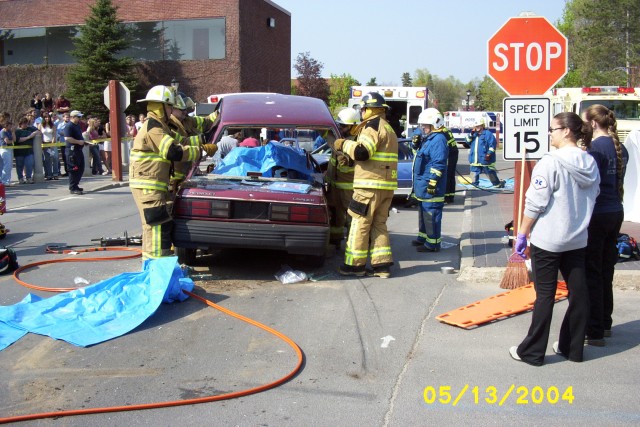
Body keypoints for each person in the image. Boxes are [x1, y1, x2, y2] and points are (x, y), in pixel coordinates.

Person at [510, 112, 600, 366]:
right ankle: (572, 348)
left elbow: (535, 202)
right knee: (579, 293)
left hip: (549, 239)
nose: (549, 134)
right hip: (577, 238)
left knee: (545, 295)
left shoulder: (550, 162)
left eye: (552, 129)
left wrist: (522, 233)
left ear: (567, 132)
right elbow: (593, 196)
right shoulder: (589, 163)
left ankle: (532, 352)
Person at [129, 85, 215, 260]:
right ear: (160, 106)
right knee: (157, 227)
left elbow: (181, 141)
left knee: (159, 225)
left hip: (153, 184)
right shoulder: (153, 127)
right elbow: (173, 151)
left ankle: (158, 265)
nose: (171, 110)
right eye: (169, 106)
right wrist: (202, 151)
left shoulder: (160, 125)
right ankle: (156, 269)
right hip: (148, 185)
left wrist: (203, 140)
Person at [335, 92, 398, 279]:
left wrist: (344, 144)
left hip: (369, 187)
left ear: (370, 109)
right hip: (386, 186)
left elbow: (363, 152)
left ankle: (354, 266)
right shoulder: (389, 128)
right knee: (379, 224)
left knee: (359, 224)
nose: (361, 111)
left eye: (363, 108)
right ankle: (382, 267)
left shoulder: (372, 126)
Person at [583, 104, 629, 346]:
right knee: (606, 269)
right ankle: (606, 322)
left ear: (592, 123)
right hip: (615, 210)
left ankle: (595, 329)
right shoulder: (618, 147)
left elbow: (587, 182)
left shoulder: (595, 149)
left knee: (592, 271)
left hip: (597, 214)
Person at [410, 108, 449, 252]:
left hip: (430, 186)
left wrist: (433, 182)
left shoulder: (438, 140)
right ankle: (423, 237)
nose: (423, 128)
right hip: (423, 184)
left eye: (425, 125)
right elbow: (418, 155)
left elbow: (439, 163)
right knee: (424, 213)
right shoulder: (429, 138)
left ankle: (432, 244)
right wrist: (415, 144)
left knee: (431, 214)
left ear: (435, 124)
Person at [327, 108, 360, 247]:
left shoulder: (356, 143)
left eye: (343, 126)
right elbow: (328, 137)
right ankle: (335, 241)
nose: (341, 128)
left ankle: (352, 246)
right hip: (335, 186)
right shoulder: (340, 139)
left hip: (349, 189)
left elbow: (346, 164)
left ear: (353, 126)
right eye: (339, 125)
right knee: (336, 215)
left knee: (351, 219)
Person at [466, 118, 505, 188]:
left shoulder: (488, 134)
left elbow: (492, 145)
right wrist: (471, 134)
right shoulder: (473, 134)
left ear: (482, 126)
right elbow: (467, 141)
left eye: (478, 126)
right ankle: (474, 185)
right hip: (474, 159)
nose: (477, 127)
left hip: (485, 159)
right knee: (474, 172)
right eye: (476, 126)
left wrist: (489, 154)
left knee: (490, 172)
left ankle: (497, 184)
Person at [64, 110, 87, 195]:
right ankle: (72, 187)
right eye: (78, 117)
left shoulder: (77, 125)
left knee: (81, 168)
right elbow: (67, 138)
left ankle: (76, 185)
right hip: (72, 151)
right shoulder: (69, 126)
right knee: (74, 169)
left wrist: (83, 142)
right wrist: (78, 142)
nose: (80, 118)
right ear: (73, 117)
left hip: (78, 150)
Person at [14, 116, 39, 184]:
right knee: (19, 165)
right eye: (23, 123)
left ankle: (28, 177)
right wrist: (29, 137)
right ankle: (20, 178)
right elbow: (18, 140)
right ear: (20, 124)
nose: (25, 125)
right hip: (19, 152)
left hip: (29, 151)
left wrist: (35, 133)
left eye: (26, 123)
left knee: (29, 164)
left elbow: (38, 131)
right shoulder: (17, 131)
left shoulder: (30, 129)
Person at [37, 113, 60, 180]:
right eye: (45, 117)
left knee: (55, 157)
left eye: (48, 117)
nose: (47, 118)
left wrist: (52, 144)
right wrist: (41, 144)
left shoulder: (53, 125)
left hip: (52, 143)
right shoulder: (41, 125)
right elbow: (40, 135)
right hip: (45, 143)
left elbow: (54, 135)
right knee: (47, 159)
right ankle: (49, 174)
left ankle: (55, 173)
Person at [55, 112, 71, 176]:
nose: (67, 118)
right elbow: (60, 132)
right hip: (63, 143)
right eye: (66, 117)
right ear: (63, 118)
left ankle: (71, 170)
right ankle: (66, 171)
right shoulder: (60, 125)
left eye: (68, 117)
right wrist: (67, 133)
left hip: (70, 143)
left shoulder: (71, 124)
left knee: (70, 157)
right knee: (64, 158)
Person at [0, 120, 15, 186]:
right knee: (6, 165)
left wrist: (13, 132)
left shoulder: (9, 131)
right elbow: (7, 141)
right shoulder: (3, 132)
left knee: (10, 165)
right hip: (4, 149)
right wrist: (11, 141)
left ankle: (8, 180)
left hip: (10, 149)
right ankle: (4, 180)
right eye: (9, 125)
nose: (10, 127)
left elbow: (14, 139)